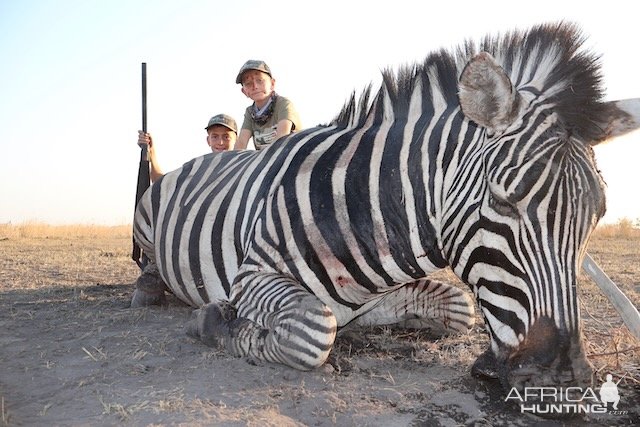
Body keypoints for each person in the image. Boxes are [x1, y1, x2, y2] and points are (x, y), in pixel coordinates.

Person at [137, 113, 237, 182]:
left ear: (236, 139)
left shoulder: (243, 169)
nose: (220, 142)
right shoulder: (197, 168)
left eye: (226, 137)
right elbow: (160, 182)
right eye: (215, 137)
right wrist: (151, 151)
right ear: (208, 140)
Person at [233, 59, 301, 151]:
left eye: (260, 80)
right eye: (248, 84)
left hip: (289, 156)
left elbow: (281, 138)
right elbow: (241, 142)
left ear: (272, 84)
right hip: (265, 161)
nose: (255, 86)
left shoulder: (283, 104)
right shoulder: (250, 112)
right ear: (244, 91)